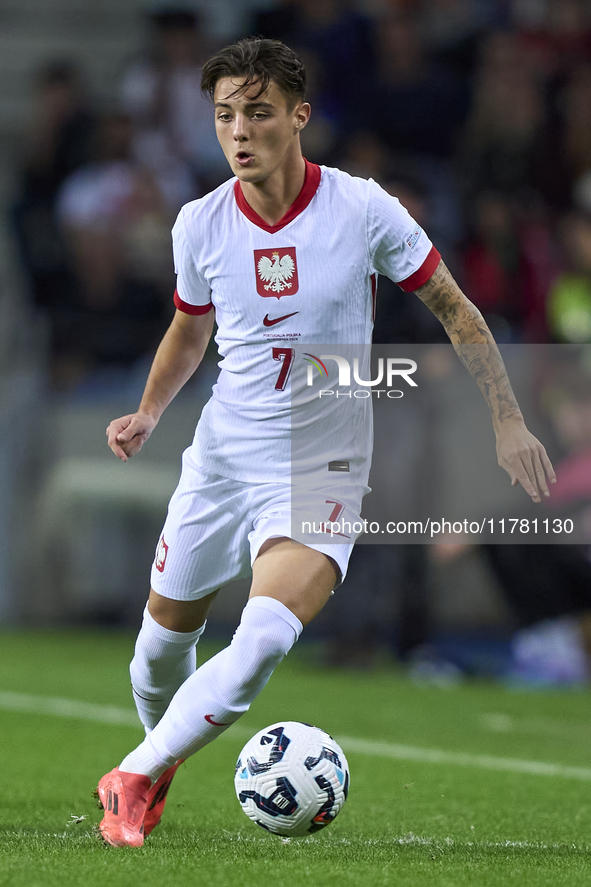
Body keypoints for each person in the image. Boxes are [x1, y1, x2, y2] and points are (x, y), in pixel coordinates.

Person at [96, 37, 555, 847]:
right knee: (155, 658)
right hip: (223, 460)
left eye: (258, 113)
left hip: (324, 465)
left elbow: (454, 307)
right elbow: (186, 329)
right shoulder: (199, 223)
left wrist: (506, 417)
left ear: (299, 117)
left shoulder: (362, 206)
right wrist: (147, 411)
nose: (239, 131)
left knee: (267, 632)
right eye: (225, 115)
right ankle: (157, 758)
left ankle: (131, 776)